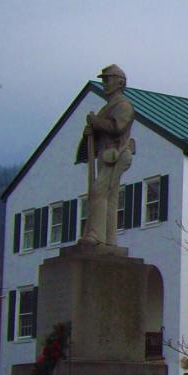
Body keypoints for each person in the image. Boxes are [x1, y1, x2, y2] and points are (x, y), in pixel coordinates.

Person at [80, 64, 136, 246]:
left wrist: (96, 122)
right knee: (109, 197)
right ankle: (109, 238)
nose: (104, 83)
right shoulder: (108, 107)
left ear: (119, 83)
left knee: (99, 192)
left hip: (116, 154)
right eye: (103, 80)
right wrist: (91, 131)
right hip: (106, 154)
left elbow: (117, 127)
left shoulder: (123, 105)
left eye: (107, 79)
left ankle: (96, 235)